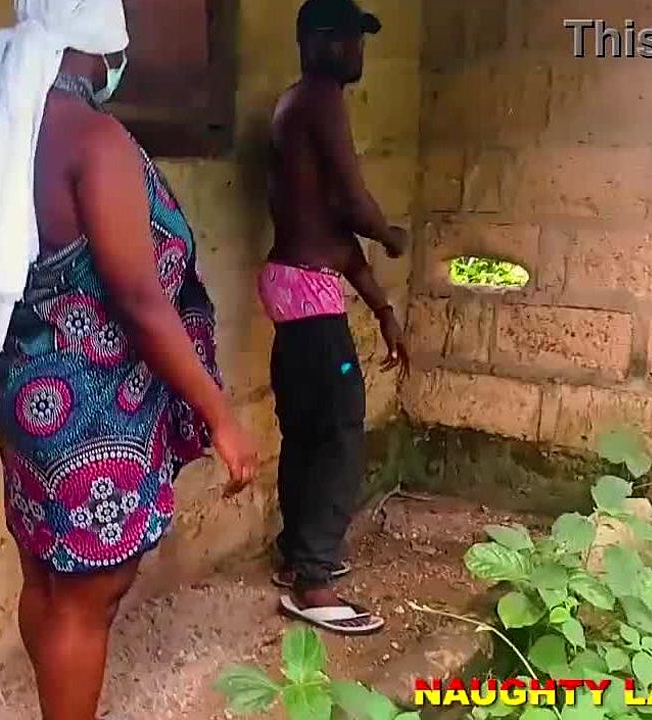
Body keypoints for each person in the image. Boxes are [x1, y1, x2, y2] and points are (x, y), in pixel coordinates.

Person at [0, 1, 258, 718]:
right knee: (88, 604)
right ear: (100, 37)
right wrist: (221, 416)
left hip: (23, 385)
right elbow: (141, 299)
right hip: (88, 409)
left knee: (45, 580)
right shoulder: (94, 139)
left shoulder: (14, 126)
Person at [259, 0, 410, 636]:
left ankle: (297, 553)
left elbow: (332, 232)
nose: (358, 50)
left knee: (308, 429)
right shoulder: (319, 100)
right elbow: (351, 205)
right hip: (308, 291)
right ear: (317, 43)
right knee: (342, 430)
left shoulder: (297, 107)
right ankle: (313, 582)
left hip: (296, 282)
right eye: (348, 38)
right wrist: (391, 235)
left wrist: (382, 309)